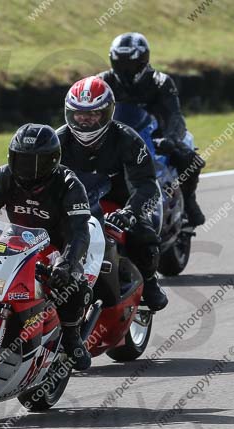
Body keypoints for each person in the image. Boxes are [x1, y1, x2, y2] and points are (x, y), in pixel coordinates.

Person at [0, 123, 94, 370]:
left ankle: (72, 337)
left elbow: (79, 231)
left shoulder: (69, 184)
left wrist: (67, 262)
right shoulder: (3, 176)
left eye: (37, 162)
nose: (28, 170)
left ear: (53, 161)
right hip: (21, 239)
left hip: (59, 245)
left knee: (73, 284)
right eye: (21, 160)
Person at [57, 75, 168, 312]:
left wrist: (130, 212)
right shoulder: (58, 141)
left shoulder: (127, 139)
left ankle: (149, 282)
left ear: (107, 113)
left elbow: (147, 185)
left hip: (117, 203)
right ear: (69, 113)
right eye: (79, 114)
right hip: (73, 204)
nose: (85, 120)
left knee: (143, 236)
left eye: (93, 114)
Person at [99, 32, 206, 226]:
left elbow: (174, 115)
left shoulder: (160, 82)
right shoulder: (104, 82)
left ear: (143, 61)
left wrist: (171, 139)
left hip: (156, 137)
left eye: (129, 64)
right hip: (117, 139)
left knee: (189, 158)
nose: (125, 69)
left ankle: (189, 201)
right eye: (120, 63)